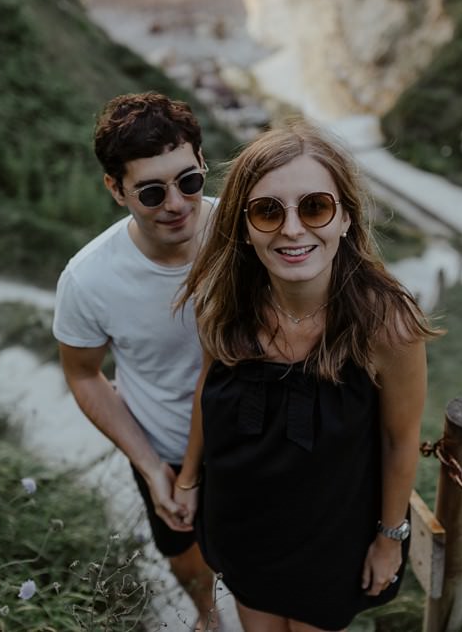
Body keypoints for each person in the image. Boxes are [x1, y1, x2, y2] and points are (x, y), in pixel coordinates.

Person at [173, 121, 442, 630]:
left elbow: (399, 439)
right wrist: (189, 478)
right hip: (243, 525)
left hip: (332, 538)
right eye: (268, 212)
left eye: (314, 207)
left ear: (345, 218)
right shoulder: (227, 304)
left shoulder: (387, 325)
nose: (292, 229)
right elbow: (206, 392)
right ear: (245, 229)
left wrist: (390, 538)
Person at [53, 92, 219, 628]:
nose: (175, 203)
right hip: (165, 446)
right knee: (184, 554)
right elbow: (83, 375)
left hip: (254, 439)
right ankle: (208, 616)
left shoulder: (245, 234)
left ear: (201, 164)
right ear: (115, 189)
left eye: (188, 181)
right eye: (151, 191)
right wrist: (149, 465)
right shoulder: (88, 279)